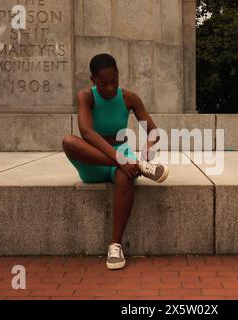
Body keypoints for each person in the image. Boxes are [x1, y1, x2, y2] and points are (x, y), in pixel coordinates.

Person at [62, 53, 169, 270]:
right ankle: (138, 167)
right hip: (94, 157)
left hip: (121, 158)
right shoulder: (85, 97)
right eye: (103, 84)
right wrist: (121, 160)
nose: (110, 88)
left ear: (119, 76)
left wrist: (149, 146)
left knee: (124, 177)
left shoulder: (130, 97)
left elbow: (153, 131)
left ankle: (115, 246)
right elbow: (87, 133)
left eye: (114, 82)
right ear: (92, 80)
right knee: (68, 141)